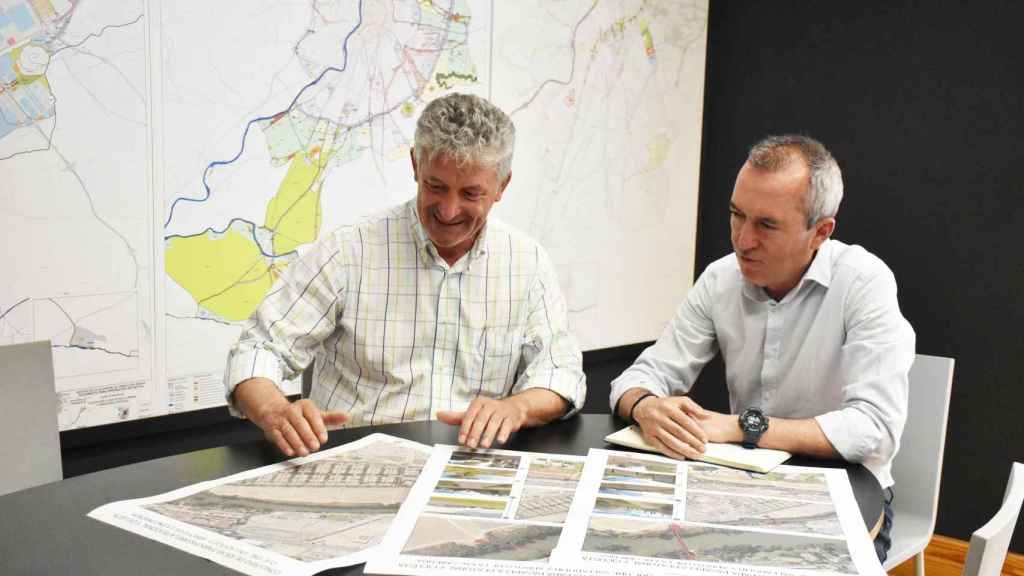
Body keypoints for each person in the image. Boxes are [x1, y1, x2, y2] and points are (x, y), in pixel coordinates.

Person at [225, 93, 585, 459]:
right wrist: (275, 410)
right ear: (416, 165)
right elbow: (258, 348)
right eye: (436, 186)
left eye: (470, 193)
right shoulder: (348, 251)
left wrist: (517, 407)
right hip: (357, 467)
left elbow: (561, 370)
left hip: (469, 472)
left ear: (501, 187)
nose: (448, 210)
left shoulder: (527, 262)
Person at [610, 134, 914, 562]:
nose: (742, 240)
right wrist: (644, 406)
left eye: (766, 225)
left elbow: (874, 429)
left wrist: (743, 427)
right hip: (742, 486)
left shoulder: (864, 282)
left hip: (848, 494)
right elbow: (642, 376)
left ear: (820, 232)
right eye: (737, 216)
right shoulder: (720, 279)